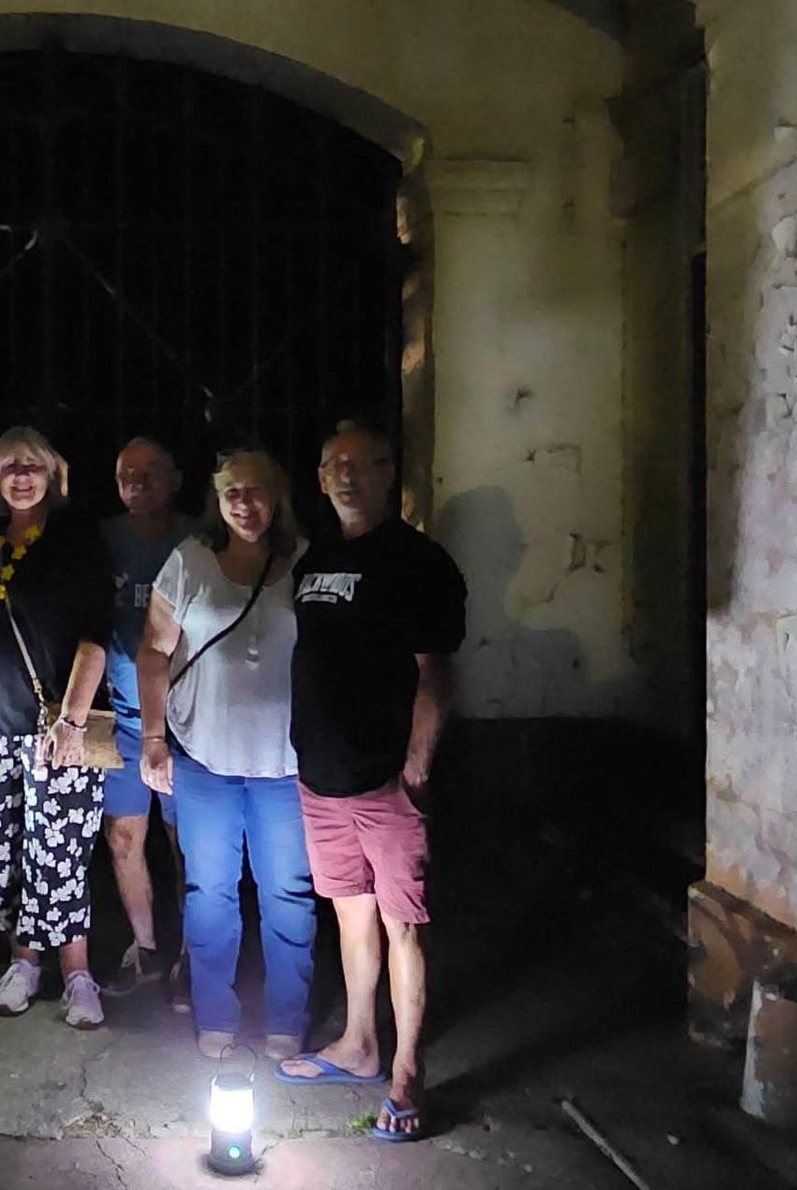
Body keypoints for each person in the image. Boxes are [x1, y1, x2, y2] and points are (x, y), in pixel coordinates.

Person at [276, 421, 466, 1145]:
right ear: (320, 478)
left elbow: (435, 672)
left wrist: (415, 767)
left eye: (366, 464)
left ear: (391, 473)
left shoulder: (420, 563)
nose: (349, 476)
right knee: (349, 914)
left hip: (385, 780)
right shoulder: (312, 561)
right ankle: (359, 1044)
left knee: (403, 927)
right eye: (336, 466)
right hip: (320, 777)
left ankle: (407, 1074)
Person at [139, 449, 314, 1060]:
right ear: (217, 497)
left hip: (286, 765)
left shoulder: (304, 562)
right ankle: (215, 1013)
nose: (244, 503)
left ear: (278, 494)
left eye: (256, 490)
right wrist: (155, 739)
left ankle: (286, 1020)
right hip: (205, 759)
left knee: (287, 894)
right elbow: (154, 653)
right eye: (232, 491)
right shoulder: (190, 562)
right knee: (209, 892)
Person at [0, 427, 112, 1027]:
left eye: (33, 466)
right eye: (9, 467)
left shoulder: (76, 540)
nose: (21, 477)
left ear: (54, 475)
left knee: (62, 853)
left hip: (58, 725)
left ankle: (77, 973)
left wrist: (73, 721)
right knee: (4, 851)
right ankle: (23, 961)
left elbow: (95, 635)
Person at [97, 437, 190, 1002]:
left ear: (176, 479)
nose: (138, 482)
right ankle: (148, 949)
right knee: (124, 837)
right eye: (126, 472)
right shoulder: (104, 541)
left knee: (188, 843)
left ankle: (191, 956)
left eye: (151, 472)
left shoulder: (197, 541)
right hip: (122, 718)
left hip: (184, 721)